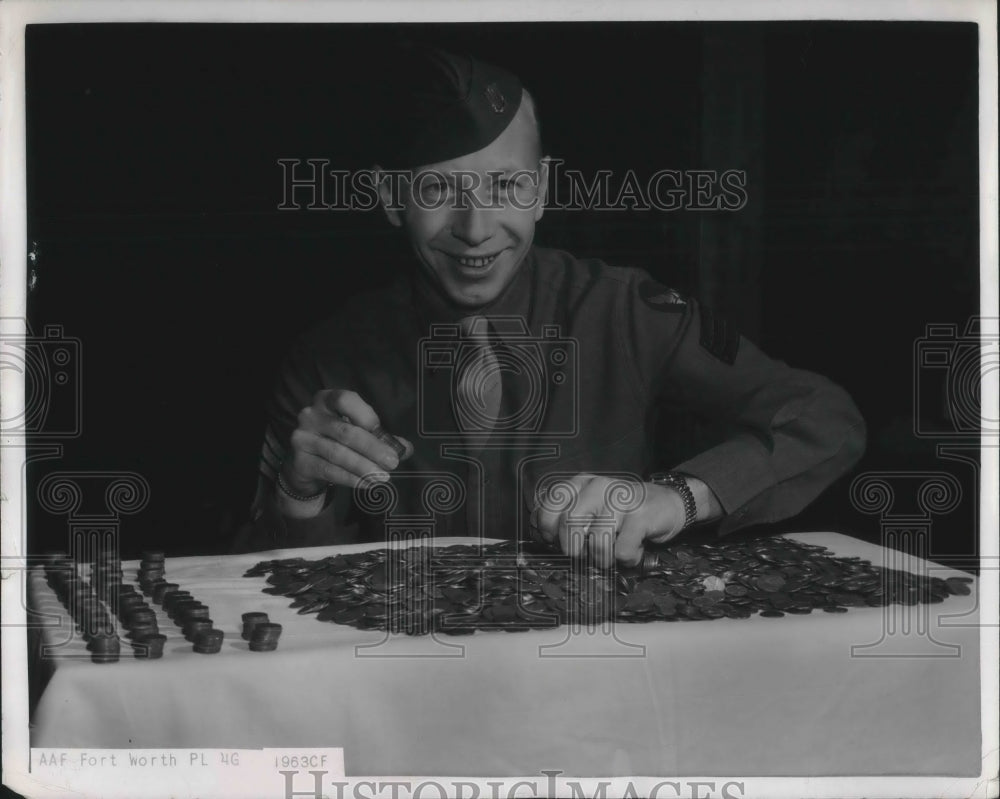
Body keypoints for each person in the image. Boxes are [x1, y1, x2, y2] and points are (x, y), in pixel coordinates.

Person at [236, 46, 866, 566]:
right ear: (390, 199)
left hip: (597, 660)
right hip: (411, 667)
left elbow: (823, 419)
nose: (476, 229)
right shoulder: (327, 356)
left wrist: (676, 497)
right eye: (437, 189)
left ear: (541, 192)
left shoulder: (626, 310)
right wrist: (299, 493)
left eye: (506, 185)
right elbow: (261, 580)